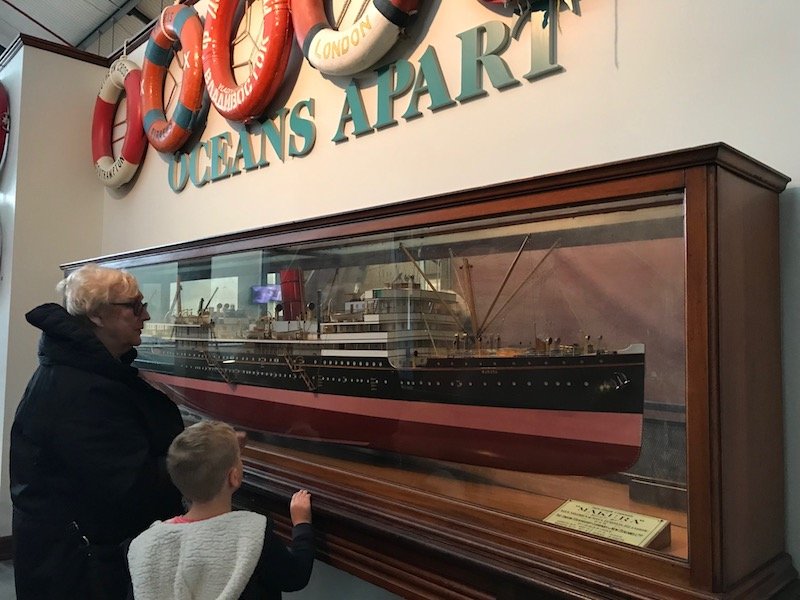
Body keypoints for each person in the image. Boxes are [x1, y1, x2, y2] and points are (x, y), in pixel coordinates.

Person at [10, 264, 185, 599]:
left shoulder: (82, 373)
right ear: (97, 316)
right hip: (83, 569)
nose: (145, 315)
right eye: (134, 306)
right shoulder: (82, 389)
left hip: (77, 557)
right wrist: (200, 458)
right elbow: (130, 485)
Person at [127, 420, 315, 600]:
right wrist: (302, 524)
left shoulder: (148, 545)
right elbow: (295, 576)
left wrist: (225, 452)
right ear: (234, 477)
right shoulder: (251, 535)